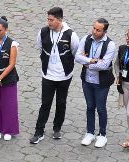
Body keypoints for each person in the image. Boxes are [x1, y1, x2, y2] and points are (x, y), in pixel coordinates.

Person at [30, 7, 80, 144]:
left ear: (59, 20)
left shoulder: (71, 35)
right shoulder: (43, 32)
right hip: (47, 76)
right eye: (48, 19)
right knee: (45, 104)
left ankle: (57, 128)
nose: (49, 22)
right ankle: (38, 131)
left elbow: (76, 52)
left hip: (64, 76)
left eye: (51, 20)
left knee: (61, 102)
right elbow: (40, 48)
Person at [75, 18, 116, 148]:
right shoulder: (86, 39)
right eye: (94, 28)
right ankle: (90, 132)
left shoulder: (110, 45)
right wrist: (92, 61)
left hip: (101, 82)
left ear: (105, 31)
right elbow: (77, 57)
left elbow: (104, 65)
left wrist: (87, 63)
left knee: (101, 108)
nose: (94, 31)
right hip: (87, 80)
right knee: (89, 106)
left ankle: (102, 134)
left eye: (98, 30)